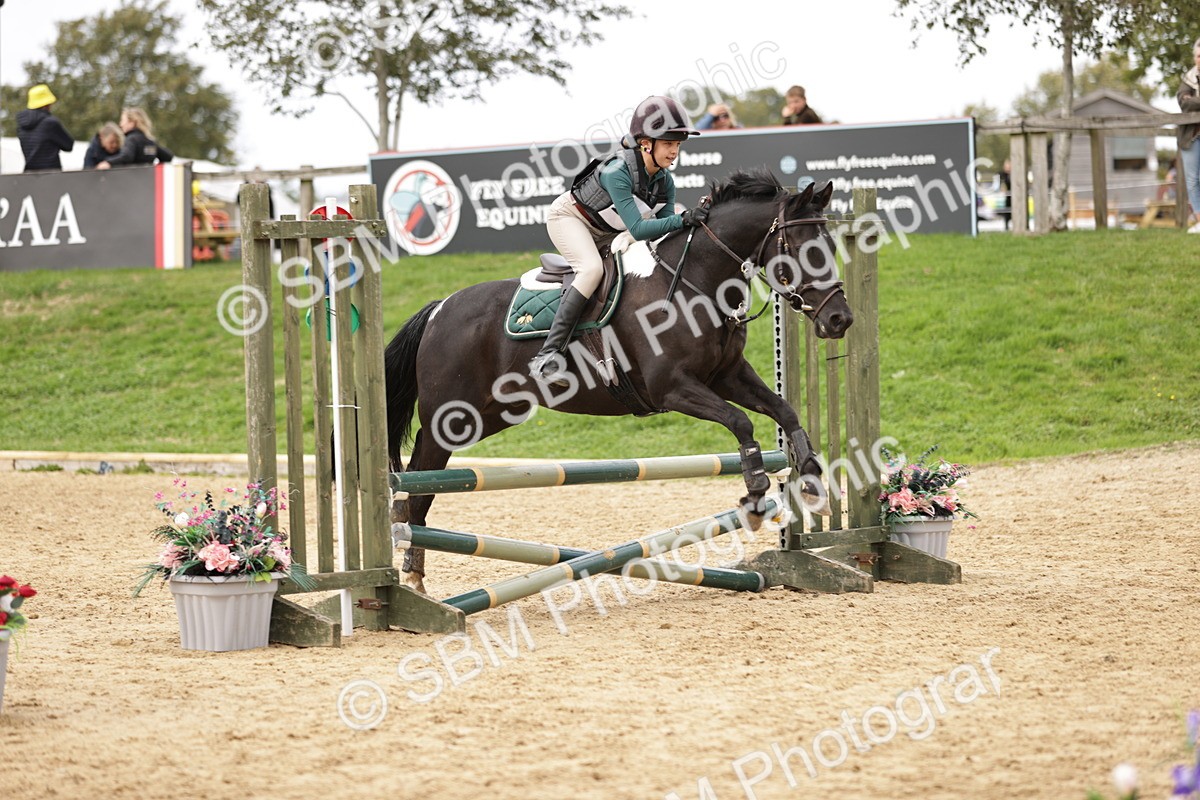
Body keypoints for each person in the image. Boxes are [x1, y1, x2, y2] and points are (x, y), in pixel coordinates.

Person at [530, 95, 708, 383]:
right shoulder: (617, 172)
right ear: (646, 143)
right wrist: (684, 218)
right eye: (669, 144)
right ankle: (548, 356)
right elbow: (640, 229)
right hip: (570, 220)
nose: (674, 152)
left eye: (678, 145)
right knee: (591, 271)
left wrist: (691, 222)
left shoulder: (665, 180)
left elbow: (662, 228)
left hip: (610, 231)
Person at [16, 84, 74, 172]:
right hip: (51, 176)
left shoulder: (22, 125)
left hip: (28, 176)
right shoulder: (50, 123)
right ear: (46, 104)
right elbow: (68, 145)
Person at [96, 107, 173, 169]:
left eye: (122, 120)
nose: (120, 124)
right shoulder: (150, 142)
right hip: (148, 183)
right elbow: (168, 157)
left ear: (132, 122)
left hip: (131, 183)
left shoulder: (132, 139)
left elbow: (127, 156)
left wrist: (108, 162)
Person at [1177, 36, 1200, 233]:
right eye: (1199, 56)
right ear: (1195, 58)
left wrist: (1195, 100)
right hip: (1191, 136)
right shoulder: (1188, 79)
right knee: (1192, 179)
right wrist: (1192, 100)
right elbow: (1184, 103)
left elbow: (1191, 101)